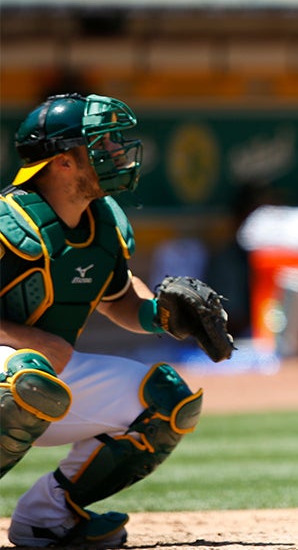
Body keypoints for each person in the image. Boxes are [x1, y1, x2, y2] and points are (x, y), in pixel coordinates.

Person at [1, 93, 231, 547]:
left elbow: (118, 297)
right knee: (28, 380)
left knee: (165, 402)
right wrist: (26, 337)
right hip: (19, 373)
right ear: (63, 162)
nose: (117, 151)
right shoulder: (8, 220)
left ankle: (48, 519)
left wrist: (160, 315)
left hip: (45, 375)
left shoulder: (103, 221)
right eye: (101, 143)